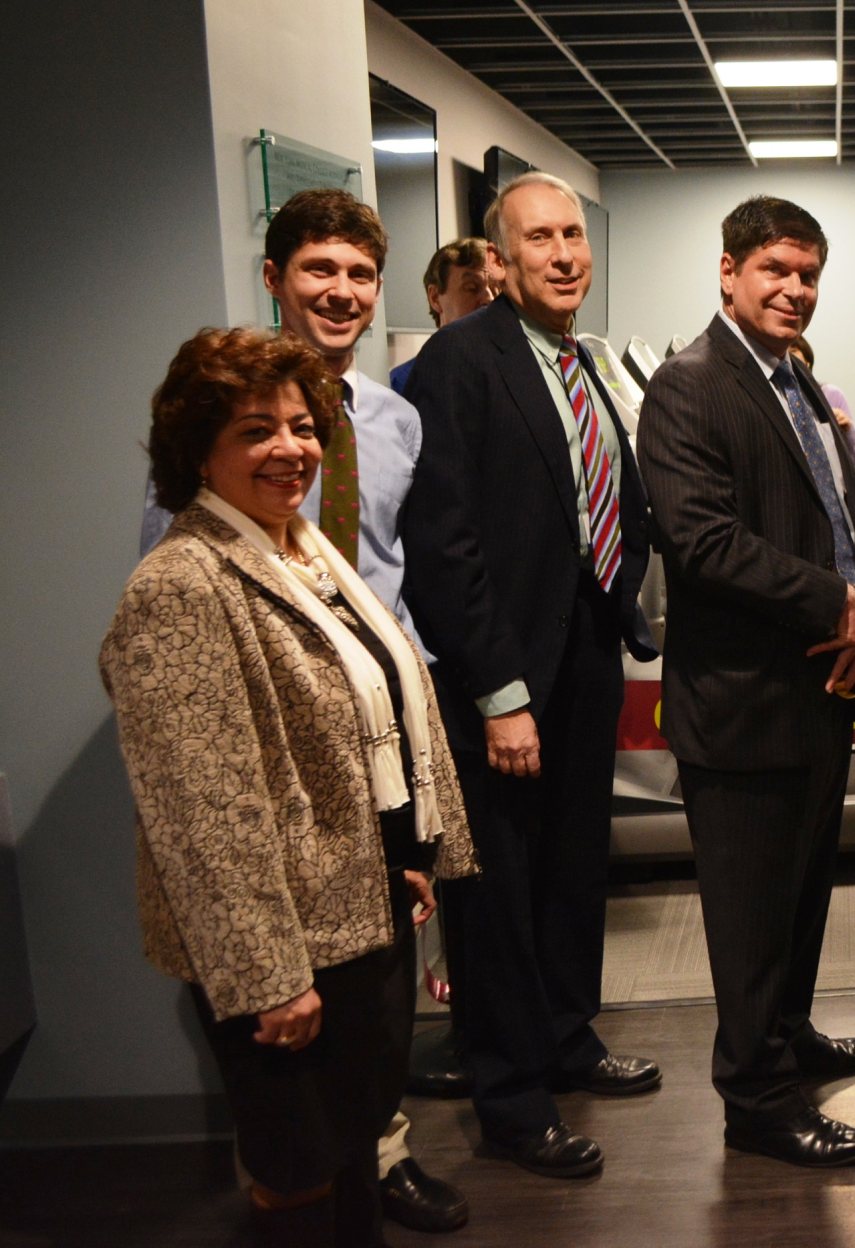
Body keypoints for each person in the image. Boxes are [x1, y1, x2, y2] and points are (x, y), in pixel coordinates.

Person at [136, 189, 467, 1233]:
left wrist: (410, 837)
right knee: (301, 1156)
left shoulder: (331, 501)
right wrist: (266, 970)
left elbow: (390, 622)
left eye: (299, 428)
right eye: (257, 432)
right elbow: (207, 798)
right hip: (285, 876)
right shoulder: (186, 572)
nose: (288, 448)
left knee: (358, 1112)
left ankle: (375, 1164)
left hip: (361, 837)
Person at [637, 195, 855, 1168]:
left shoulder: (797, 380)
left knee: (800, 894)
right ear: (727, 272)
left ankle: (788, 1036)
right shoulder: (688, 385)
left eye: (807, 276)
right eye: (774, 272)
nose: (794, 291)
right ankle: (756, 1096)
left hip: (816, 691)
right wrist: (829, 604)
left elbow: (834, 525)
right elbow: (702, 540)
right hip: (741, 701)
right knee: (750, 912)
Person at [401, 172, 660, 1179]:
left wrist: (624, 593)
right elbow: (444, 539)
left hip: (586, 655)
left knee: (570, 865)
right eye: (538, 239)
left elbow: (602, 490)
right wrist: (499, 691)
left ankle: (565, 1037)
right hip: (505, 678)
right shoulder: (458, 363)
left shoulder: (580, 360)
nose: (562, 254)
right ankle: (510, 1096)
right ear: (498, 262)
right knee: (498, 889)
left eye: (572, 237)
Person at [389, 237, 496, 395]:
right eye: (472, 288)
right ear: (435, 297)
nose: (490, 298)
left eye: (496, 289)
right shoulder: (404, 383)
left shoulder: (515, 373)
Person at [790, 335, 855, 463]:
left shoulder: (831, 395)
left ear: (807, 363)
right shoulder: (773, 396)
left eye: (793, 351)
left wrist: (847, 429)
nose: (788, 357)